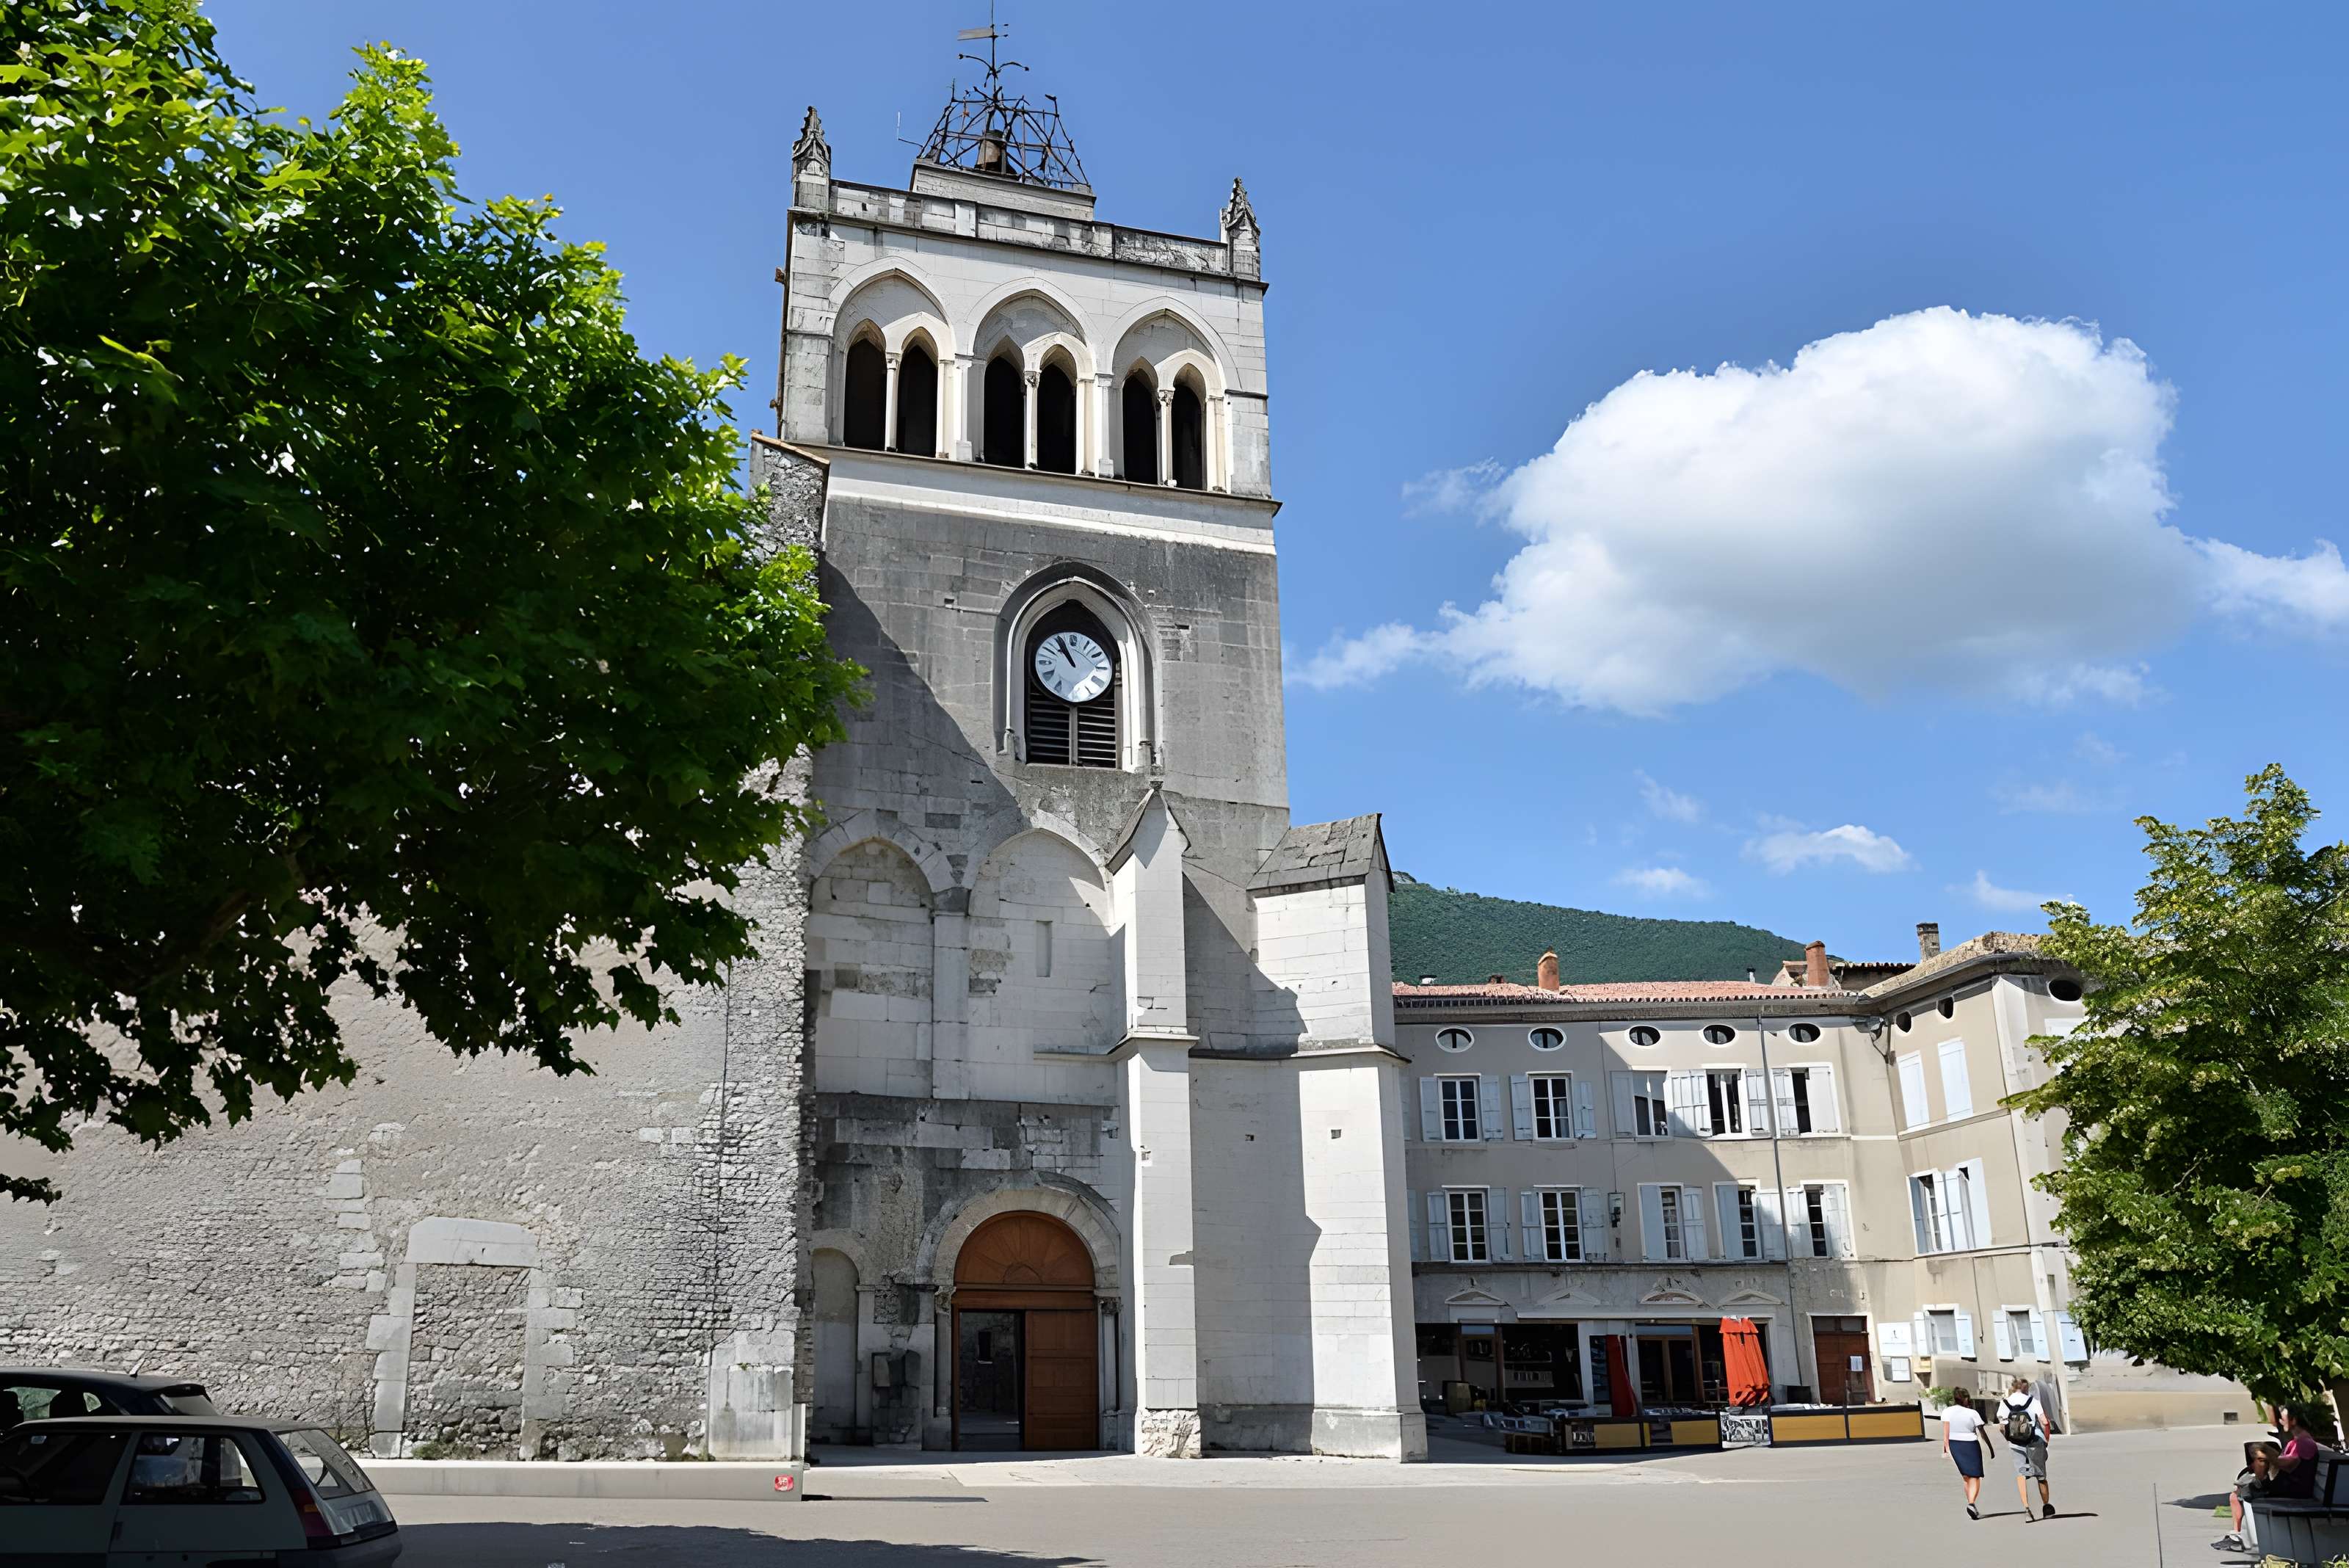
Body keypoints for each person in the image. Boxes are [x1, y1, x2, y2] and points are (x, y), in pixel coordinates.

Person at [1998, 1376, 2056, 1520]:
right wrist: (2046, 1440)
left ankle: (2027, 1510)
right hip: (2034, 1441)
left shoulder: (2005, 1403)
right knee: (2041, 1475)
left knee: (2021, 1475)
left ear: (2013, 1387)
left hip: (2015, 1443)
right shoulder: (2033, 1401)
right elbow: (2045, 1422)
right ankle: (2046, 1505)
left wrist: (2009, 1438)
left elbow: (2001, 1427)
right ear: (2026, 1388)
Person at [2215, 1441, 2282, 1553]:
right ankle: (2237, 1532)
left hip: (2275, 1491)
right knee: (2236, 1495)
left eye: (2261, 1460)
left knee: (2242, 1494)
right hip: (2269, 1487)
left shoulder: (2275, 1468)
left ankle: (2240, 1533)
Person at [1941, 1393, 1996, 1517]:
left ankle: (1972, 1504)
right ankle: (1971, 1503)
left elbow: (1946, 1432)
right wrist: (1991, 1448)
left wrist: (1946, 1449)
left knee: (1966, 1476)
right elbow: (1982, 1432)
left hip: (1955, 1445)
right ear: (1965, 1399)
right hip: (1970, 1445)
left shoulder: (1947, 1411)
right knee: (1975, 1476)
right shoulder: (1972, 1413)